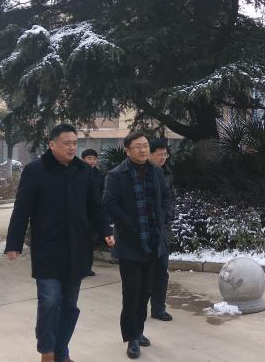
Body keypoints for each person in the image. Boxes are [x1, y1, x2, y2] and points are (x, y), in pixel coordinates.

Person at [6, 125, 114, 362]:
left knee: (69, 306)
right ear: (52, 145)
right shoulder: (35, 171)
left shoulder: (84, 171)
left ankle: (61, 352)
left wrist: (106, 231)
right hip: (48, 249)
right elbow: (22, 209)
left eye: (75, 143)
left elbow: (95, 206)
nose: (72, 147)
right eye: (67, 143)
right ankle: (47, 351)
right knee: (50, 301)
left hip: (77, 249)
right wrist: (14, 243)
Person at [103, 132, 170, 359]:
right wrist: (129, 225)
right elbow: (109, 203)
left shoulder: (157, 171)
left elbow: (166, 197)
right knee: (132, 291)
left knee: (146, 291)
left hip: (153, 240)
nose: (143, 150)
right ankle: (131, 337)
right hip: (130, 243)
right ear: (127, 150)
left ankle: (138, 330)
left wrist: (163, 218)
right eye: (138, 147)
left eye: (145, 146)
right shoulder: (117, 175)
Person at [147, 138, 174, 322]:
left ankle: (158, 308)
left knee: (161, 272)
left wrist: (167, 216)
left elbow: (171, 198)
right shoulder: (142, 173)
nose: (163, 158)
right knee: (145, 273)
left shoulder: (167, 173)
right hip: (145, 229)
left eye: (165, 154)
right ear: (149, 155)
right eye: (159, 155)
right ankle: (139, 309)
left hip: (162, 229)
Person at [81, 148, 107, 277]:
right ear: (83, 160)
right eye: (89, 158)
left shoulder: (101, 175)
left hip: (94, 212)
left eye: (94, 159)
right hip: (80, 211)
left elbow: (103, 192)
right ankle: (79, 267)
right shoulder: (78, 173)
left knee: (90, 241)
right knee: (80, 241)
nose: (92, 161)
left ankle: (87, 268)